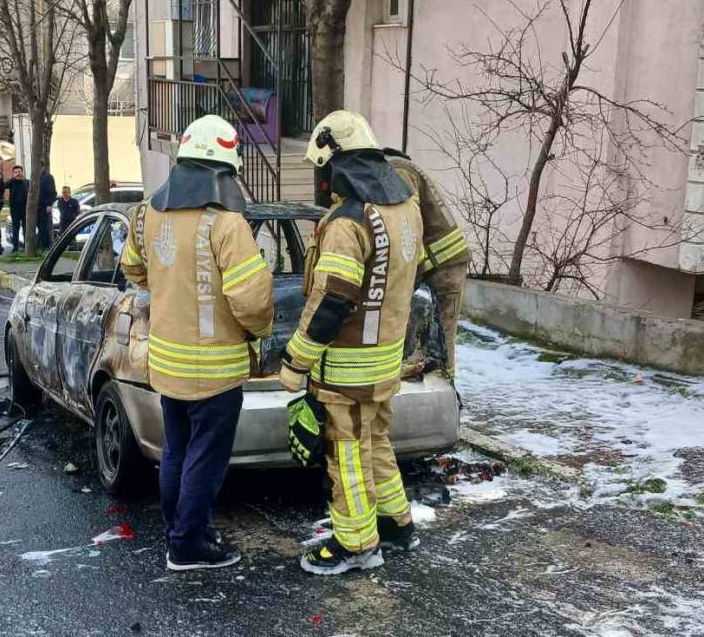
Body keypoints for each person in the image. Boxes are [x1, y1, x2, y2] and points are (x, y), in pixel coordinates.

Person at [119, 115, 274, 571]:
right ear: (223, 171)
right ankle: (189, 545)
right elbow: (251, 300)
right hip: (217, 369)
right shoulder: (226, 224)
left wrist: (168, 288)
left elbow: (133, 268)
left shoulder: (147, 212)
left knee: (177, 454)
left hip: (168, 364)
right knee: (205, 461)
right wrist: (260, 331)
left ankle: (177, 535)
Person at [281, 110, 423, 575]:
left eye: (322, 169)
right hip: (385, 361)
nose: (322, 181)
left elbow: (332, 302)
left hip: (346, 369)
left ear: (335, 163)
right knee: (376, 441)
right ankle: (396, 523)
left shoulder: (347, 222)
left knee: (347, 456)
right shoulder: (404, 208)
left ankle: (357, 545)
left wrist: (295, 360)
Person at [383, 149, 470, 379]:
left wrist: (404, 277)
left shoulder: (397, 172)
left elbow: (409, 226)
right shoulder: (402, 168)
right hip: (440, 263)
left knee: (442, 334)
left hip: (443, 266)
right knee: (433, 334)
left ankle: (446, 390)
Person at [6, 166, 29, 252]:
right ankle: (15, 247)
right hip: (15, 210)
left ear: (22, 172)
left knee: (26, 229)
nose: (18, 174)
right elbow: (4, 185)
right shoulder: (11, 182)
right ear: (13, 174)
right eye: (16, 172)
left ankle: (27, 247)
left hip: (25, 210)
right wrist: (12, 179)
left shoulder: (27, 182)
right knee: (15, 229)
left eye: (19, 172)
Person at [36, 169, 57, 251]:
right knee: (40, 226)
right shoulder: (36, 176)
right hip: (37, 206)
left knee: (43, 226)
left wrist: (49, 204)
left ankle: (44, 245)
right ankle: (41, 245)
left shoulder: (48, 177)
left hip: (44, 205)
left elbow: (52, 192)